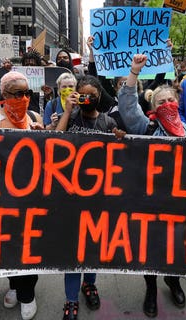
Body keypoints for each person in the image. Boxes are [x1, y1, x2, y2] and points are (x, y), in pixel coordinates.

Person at [118, 53, 186, 317]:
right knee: (149, 248)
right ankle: (150, 287)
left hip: (181, 205)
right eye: (162, 102)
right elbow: (126, 105)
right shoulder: (145, 128)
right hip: (150, 203)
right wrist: (134, 72)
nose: (167, 103)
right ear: (154, 108)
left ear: (178, 102)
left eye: (171, 100)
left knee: (176, 247)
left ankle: (173, 280)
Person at [53, 76, 124, 320]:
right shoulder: (70, 117)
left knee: (93, 249)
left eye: (92, 95)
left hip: (99, 200)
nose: (87, 99)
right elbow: (55, 141)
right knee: (73, 253)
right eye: (82, 94)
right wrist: (67, 110)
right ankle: (71, 299)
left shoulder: (107, 121)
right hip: (70, 198)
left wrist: (119, 138)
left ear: (99, 96)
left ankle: (89, 284)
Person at [0, 71, 43, 320]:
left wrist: (42, 134)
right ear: (4, 95)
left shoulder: (35, 117)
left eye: (28, 93)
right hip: (1, 200)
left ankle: (28, 293)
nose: (25, 98)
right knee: (7, 247)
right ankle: (15, 285)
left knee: (29, 247)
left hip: (33, 198)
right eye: (18, 93)